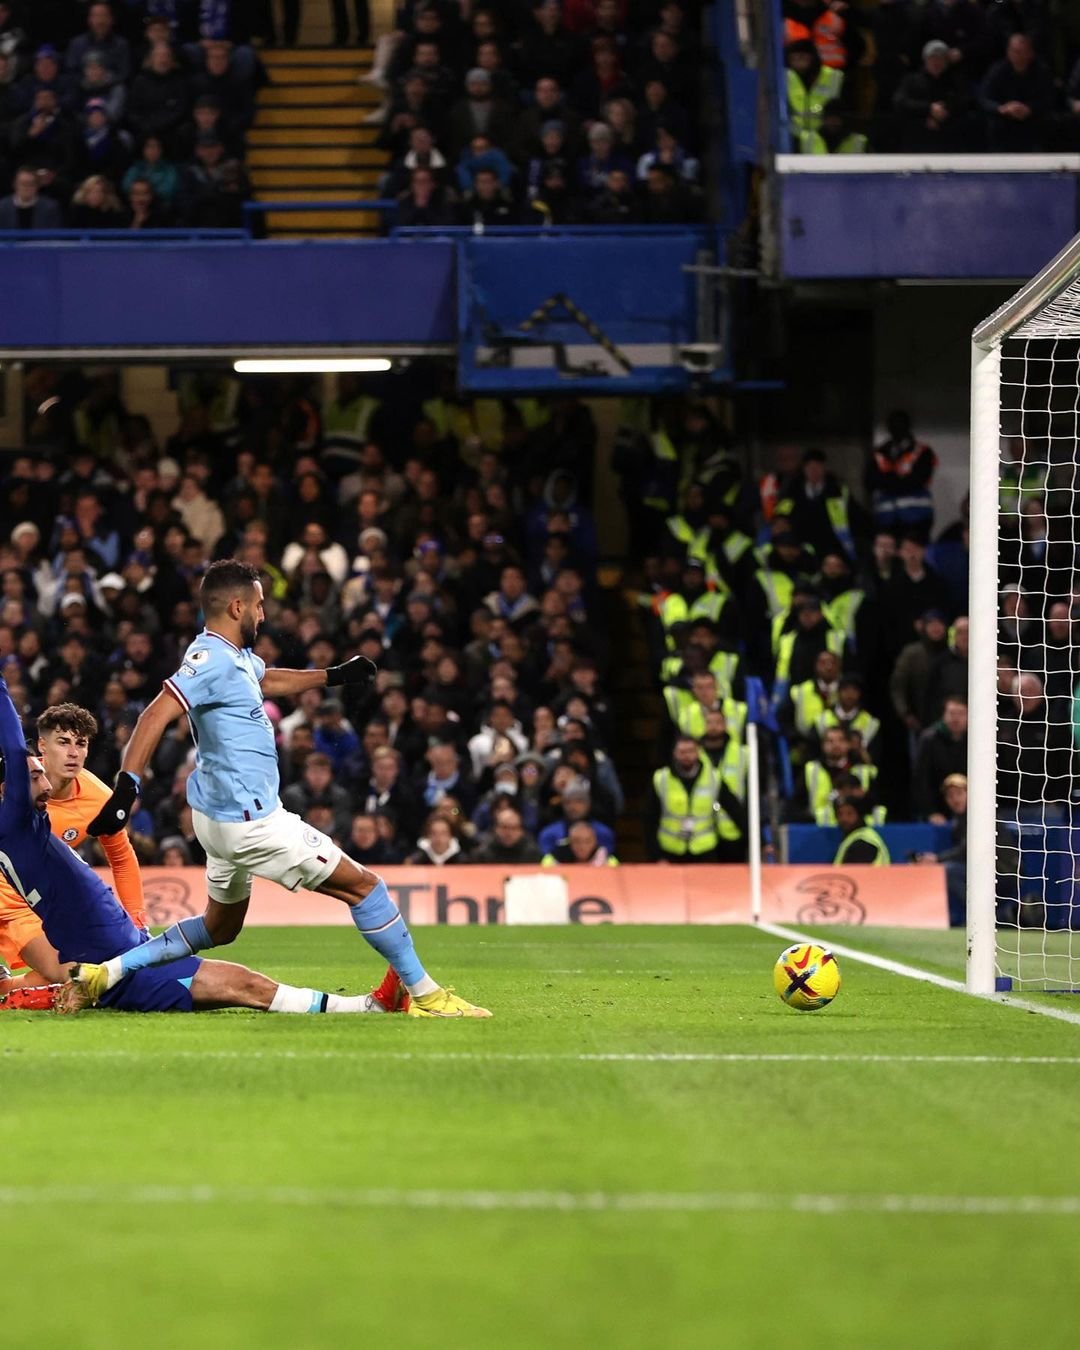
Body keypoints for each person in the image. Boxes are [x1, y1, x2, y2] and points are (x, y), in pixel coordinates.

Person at [71, 560, 490, 1019]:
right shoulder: (208, 659)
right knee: (367, 889)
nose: (263, 614)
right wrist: (126, 789)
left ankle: (107, 972)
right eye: (258, 605)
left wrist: (333, 675)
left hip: (215, 819)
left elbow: (266, 678)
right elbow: (156, 713)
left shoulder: (234, 658)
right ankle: (427, 997)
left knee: (219, 926)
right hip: (251, 822)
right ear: (236, 606)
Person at [0, 674, 406, 1016]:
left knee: (238, 981)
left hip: (118, 944)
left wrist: (137, 918)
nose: (46, 779)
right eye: (34, 773)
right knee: (243, 985)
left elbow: (120, 855)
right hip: (111, 957)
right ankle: (365, 1008)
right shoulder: (19, 821)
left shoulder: (48, 813)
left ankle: (34, 989)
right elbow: (14, 744)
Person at [34, 702, 145, 929]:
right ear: (42, 746)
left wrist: (137, 921)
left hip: (36, 893)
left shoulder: (100, 800)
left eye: (81, 743)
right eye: (63, 742)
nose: (73, 753)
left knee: (79, 956)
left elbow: (122, 859)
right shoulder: (11, 784)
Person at [915, 772, 967, 927]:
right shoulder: (959, 819)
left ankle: (978, 914)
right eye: (950, 796)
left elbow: (968, 849)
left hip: (1001, 870)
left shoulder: (980, 816)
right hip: (977, 868)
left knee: (947, 870)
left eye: (959, 793)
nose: (955, 799)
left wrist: (937, 859)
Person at [833, 796, 891, 866]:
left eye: (849, 813)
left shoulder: (863, 842)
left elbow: (851, 874)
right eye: (840, 814)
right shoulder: (853, 838)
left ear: (859, 815)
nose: (844, 818)